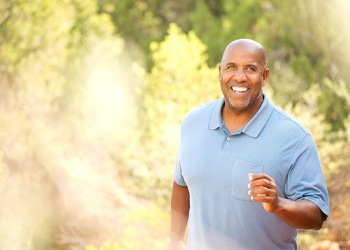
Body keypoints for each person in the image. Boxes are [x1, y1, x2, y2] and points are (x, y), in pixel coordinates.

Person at [170, 39, 329, 250]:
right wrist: (176, 241)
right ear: (220, 72)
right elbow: (181, 183)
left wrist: (277, 204)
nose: (240, 77)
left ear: (264, 77)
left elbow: (316, 215)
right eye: (231, 67)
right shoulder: (193, 122)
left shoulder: (294, 137)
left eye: (251, 69)